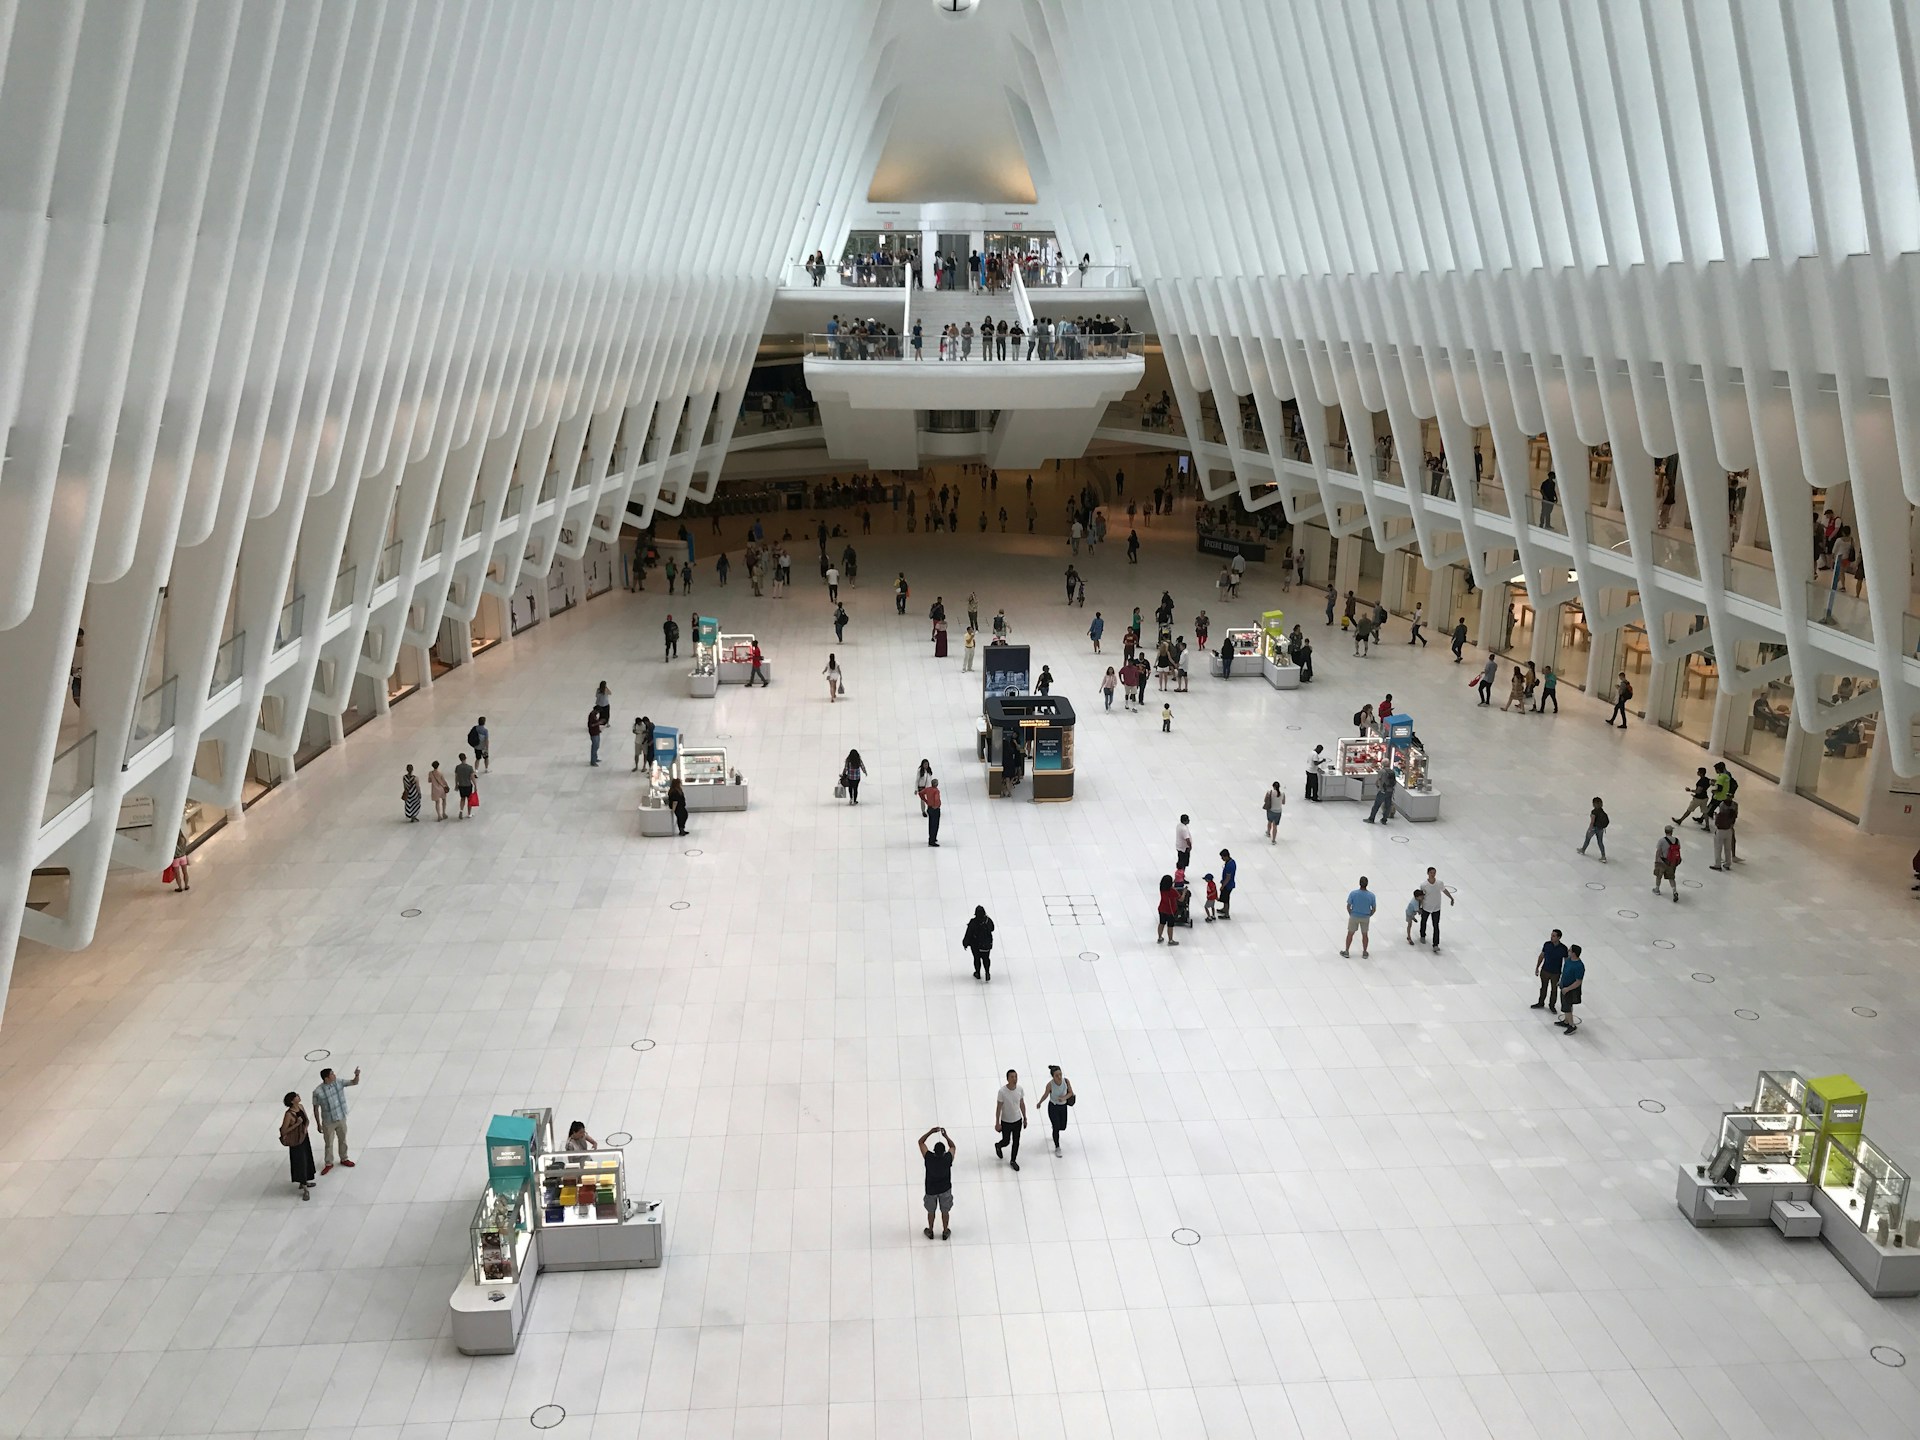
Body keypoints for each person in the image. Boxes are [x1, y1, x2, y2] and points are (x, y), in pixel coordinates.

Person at [311, 1065, 361, 1175]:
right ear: (326, 1078)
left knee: (342, 1139)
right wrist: (318, 1124)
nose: (334, 1075)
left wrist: (357, 1075)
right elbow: (315, 1108)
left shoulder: (338, 1082)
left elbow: (354, 1082)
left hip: (341, 1117)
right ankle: (328, 1163)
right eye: (332, 1074)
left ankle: (344, 1158)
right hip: (328, 1121)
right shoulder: (317, 1092)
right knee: (328, 1143)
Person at [918, 1127, 955, 1239]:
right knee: (945, 1211)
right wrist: (946, 1136)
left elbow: (920, 1142)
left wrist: (930, 1132)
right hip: (945, 1189)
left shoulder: (928, 1158)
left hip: (931, 1189)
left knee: (931, 1211)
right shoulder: (948, 1158)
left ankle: (930, 1230)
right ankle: (945, 1231)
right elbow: (953, 1147)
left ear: (934, 1151)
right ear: (944, 1152)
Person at [280, 1091, 316, 1201]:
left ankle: (304, 1181)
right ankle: (304, 1188)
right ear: (292, 1101)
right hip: (296, 1142)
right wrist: (297, 1124)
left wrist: (305, 1127)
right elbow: (283, 1131)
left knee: (307, 1159)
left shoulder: (300, 1106)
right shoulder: (289, 1115)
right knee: (300, 1162)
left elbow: (306, 1120)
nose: (298, 1096)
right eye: (296, 1096)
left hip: (304, 1138)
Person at [993, 1070, 1027, 1171]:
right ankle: (998, 1145)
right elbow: (999, 1108)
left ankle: (1013, 1160)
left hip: (1017, 1120)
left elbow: (1021, 1103)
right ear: (1007, 1079)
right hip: (1006, 1121)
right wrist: (997, 1122)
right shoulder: (1002, 1092)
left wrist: (1025, 1117)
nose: (1014, 1079)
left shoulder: (1020, 1089)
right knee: (1006, 1141)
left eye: (1016, 1077)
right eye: (1012, 1077)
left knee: (1016, 1141)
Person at [1417, 867, 1455, 951]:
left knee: (1436, 925)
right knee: (1423, 922)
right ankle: (1422, 935)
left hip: (1436, 908)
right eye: (1431, 873)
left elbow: (1444, 890)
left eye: (1434, 873)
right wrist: (1419, 907)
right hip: (1426, 907)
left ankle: (1435, 944)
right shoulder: (1424, 885)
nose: (1433, 874)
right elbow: (1421, 897)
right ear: (1428, 873)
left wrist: (1451, 898)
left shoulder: (1439, 883)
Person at [1042, 1066, 1075, 1154]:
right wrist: (1040, 1102)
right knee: (1056, 1128)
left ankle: (1055, 1127)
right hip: (1053, 1107)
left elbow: (1070, 1093)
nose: (1059, 1077)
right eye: (1057, 1075)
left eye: (1060, 1074)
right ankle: (1057, 1146)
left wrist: (1064, 1098)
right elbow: (1045, 1094)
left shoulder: (1066, 1081)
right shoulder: (1050, 1085)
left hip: (1063, 1107)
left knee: (1062, 1127)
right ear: (1053, 1076)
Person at [1342, 877, 1377, 958]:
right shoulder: (1371, 896)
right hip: (1365, 917)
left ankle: (1347, 951)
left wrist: (1351, 913)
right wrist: (1369, 915)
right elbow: (1374, 909)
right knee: (1365, 935)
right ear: (1367, 884)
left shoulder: (1353, 893)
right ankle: (1364, 952)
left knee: (1350, 934)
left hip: (1354, 916)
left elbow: (1348, 906)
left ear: (1359, 883)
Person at [1555, 945, 1586, 1033]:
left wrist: (1568, 989)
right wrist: (1561, 981)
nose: (1568, 951)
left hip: (1571, 989)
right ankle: (1566, 1021)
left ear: (1574, 953)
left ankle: (1571, 1025)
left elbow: (1578, 981)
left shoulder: (1579, 966)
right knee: (1565, 1005)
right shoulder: (1568, 960)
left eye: (1570, 950)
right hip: (1564, 986)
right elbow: (1564, 972)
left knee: (1567, 1007)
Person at [1534, 929, 1567, 1011]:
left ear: (1559, 937)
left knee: (1554, 990)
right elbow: (1542, 956)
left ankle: (1552, 1005)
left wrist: (1564, 974)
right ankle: (1540, 1002)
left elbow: (1566, 962)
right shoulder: (1547, 944)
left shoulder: (1563, 948)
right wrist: (1537, 967)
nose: (1551, 937)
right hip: (1545, 970)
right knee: (1543, 987)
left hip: (1555, 973)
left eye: (1554, 936)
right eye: (1551, 935)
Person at [962, 905, 994, 981]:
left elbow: (969, 933)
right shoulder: (988, 920)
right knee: (986, 958)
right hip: (986, 944)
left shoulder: (973, 922)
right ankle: (987, 972)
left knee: (977, 959)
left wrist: (965, 943)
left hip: (976, 945)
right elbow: (992, 928)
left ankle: (978, 973)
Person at [1653, 824, 1682, 901]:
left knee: (1659, 876)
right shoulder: (1677, 840)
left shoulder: (1662, 840)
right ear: (1671, 832)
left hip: (1662, 861)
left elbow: (1658, 851)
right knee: (1671, 878)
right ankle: (1674, 891)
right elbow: (1678, 850)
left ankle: (1657, 889)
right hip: (1671, 862)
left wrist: (1656, 861)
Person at [1711, 795, 1739, 871]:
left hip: (1721, 831)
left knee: (1718, 848)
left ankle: (1718, 864)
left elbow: (1718, 822)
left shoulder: (1721, 810)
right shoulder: (1733, 810)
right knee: (1728, 848)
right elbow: (1734, 817)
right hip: (1729, 830)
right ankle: (1727, 863)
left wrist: (1716, 817)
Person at [1579, 796, 1609, 861]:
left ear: (1593, 804)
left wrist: (1590, 829)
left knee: (1587, 839)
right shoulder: (1602, 811)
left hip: (1594, 828)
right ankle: (1603, 856)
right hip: (1601, 829)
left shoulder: (1594, 812)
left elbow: (1592, 821)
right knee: (1600, 842)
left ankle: (1582, 850)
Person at [1156, 874, 1181, 945]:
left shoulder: (1161, 888)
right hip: (1170, 911)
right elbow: (1181, 899)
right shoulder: (1172, 891)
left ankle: (1160, 937)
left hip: (1162, 908)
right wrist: (1184, 892)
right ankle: (1170, 940)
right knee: (1170, 926)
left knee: (1161, 923)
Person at [919, 775, 941, 846]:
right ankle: (932, 840)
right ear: (936, 784)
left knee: (931, 824)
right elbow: (936, 799)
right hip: (935, 809)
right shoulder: (936, 791)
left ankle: (931, 838)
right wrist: (937, 805)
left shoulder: (928, 789)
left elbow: (921, 793)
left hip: (929, 808)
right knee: (935, 825)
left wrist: (925, 800)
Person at [1217, 848, 1237, 919]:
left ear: (1226, 856)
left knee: (1226, 899)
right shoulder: (1231, 862)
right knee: (1225, 898)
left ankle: (1227, 914)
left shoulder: (1229, 865)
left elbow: (1228, 877)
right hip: (1229, 884)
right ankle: (1224, 909)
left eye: (1222, 857)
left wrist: (1223, 886)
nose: (1222, 858)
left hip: (1228, 885)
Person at [454, 753, 476, 818]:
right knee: (469, 799)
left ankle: (461, 811)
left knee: (462, 799)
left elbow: (456, 777)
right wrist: (475, 785)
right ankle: (469, 813)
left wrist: (456, 784)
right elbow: (472, 777)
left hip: (461, 785)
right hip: (468, 785)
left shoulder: (458, 767)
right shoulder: (469, 767)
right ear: (465, 758)